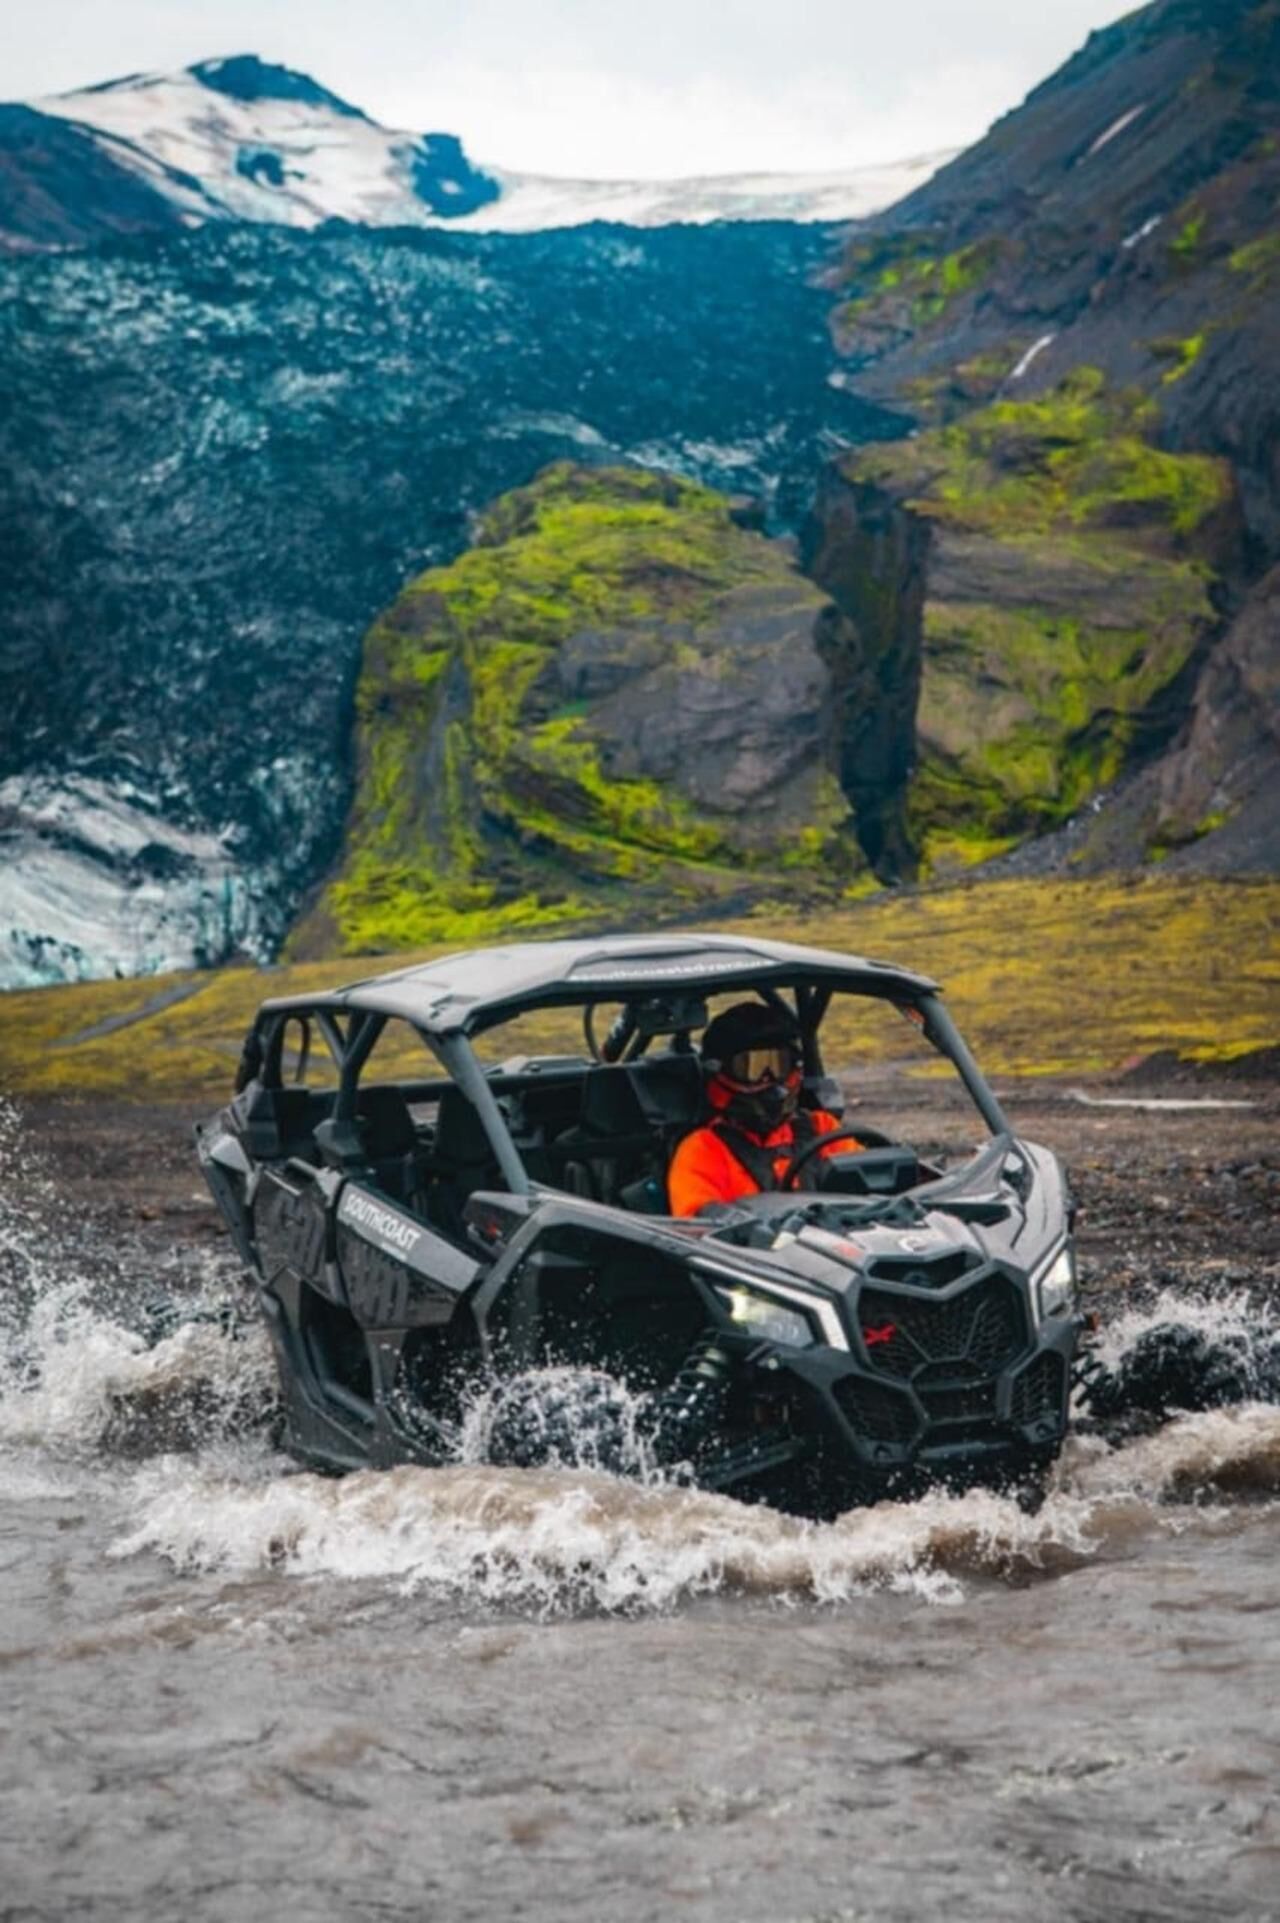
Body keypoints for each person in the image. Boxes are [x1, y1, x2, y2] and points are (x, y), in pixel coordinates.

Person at [667, 1000, 860, 1217]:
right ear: (720, 1073)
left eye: (779, 1065)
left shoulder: (822, 1129)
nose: (769, 1080)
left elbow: (872, 1188)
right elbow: (698, 1228)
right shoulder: (703, 1148)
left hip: (838, 1244)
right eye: (753, 1067)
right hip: (748, 1250)